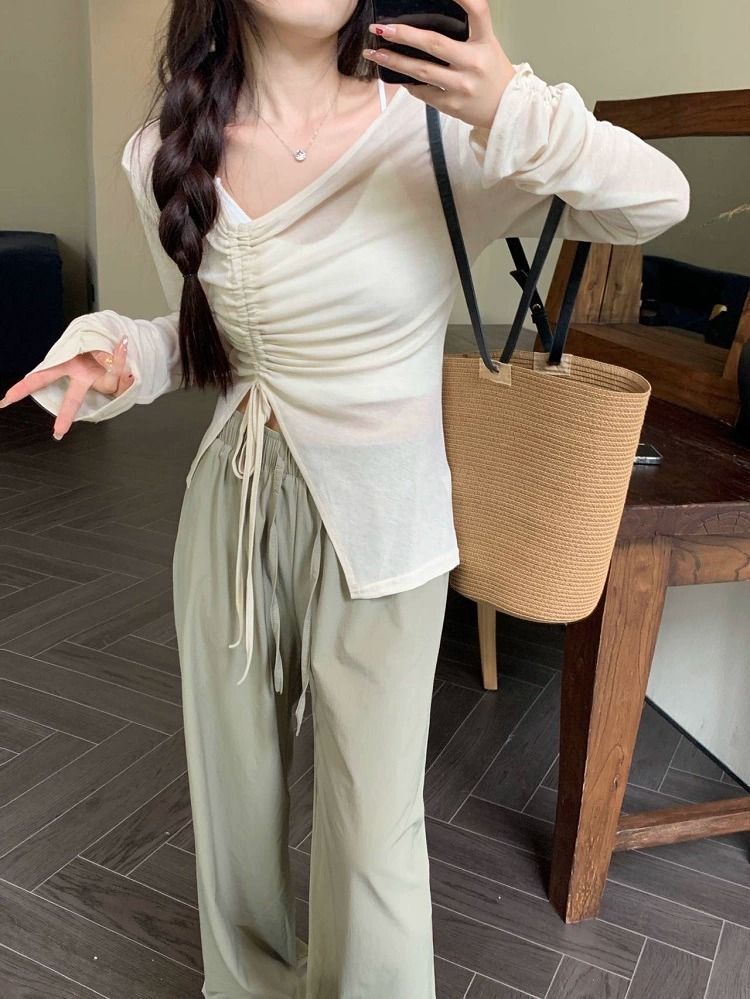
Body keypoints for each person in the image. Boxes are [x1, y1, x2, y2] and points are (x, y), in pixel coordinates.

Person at [0, 1, 690, 995]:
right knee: (233, 805)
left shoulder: (443, 133)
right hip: (231, 512)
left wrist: (510, 104)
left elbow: (656, 200)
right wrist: (117, 357)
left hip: (386, 533)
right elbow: (201, 344)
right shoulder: (165, 150)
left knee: (374, 832)